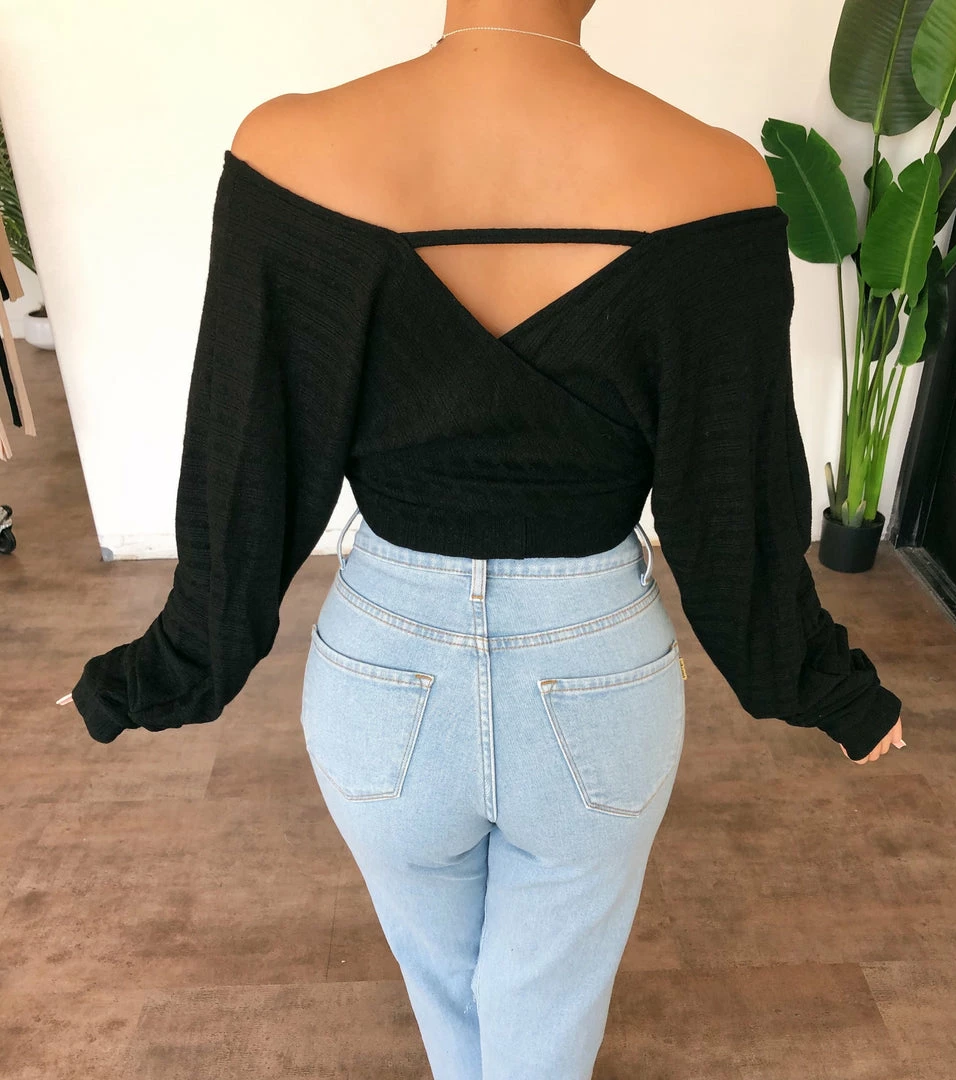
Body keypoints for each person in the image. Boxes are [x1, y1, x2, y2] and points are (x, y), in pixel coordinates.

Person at [64, 2, 904, 1077]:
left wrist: (160, 671)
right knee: (546, 1009)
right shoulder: (715, 177)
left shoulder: (288, 147)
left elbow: (245, 470)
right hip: (596, 671)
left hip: (381, 672)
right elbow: (729, 508)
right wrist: (827, 687)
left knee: (444, 986)